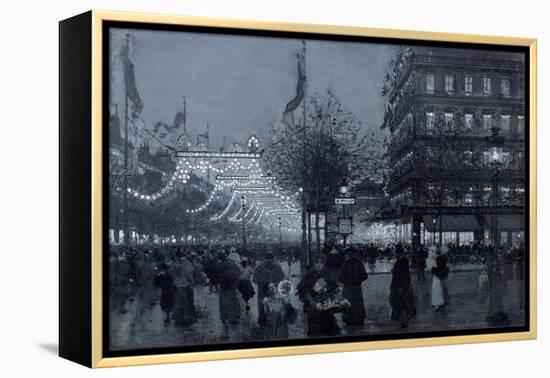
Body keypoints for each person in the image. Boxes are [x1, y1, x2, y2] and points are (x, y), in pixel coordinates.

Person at [297, 253, 341, 337]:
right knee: (315, 331)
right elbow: (303, 290)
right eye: (317, 262)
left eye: (321, 263)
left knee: (328, 329)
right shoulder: (309, 274)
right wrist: (312, 303)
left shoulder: (327, 273)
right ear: (314, 263)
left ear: (324, 263)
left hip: (326, 306)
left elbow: (334, 287)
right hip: (313, 307)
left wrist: (329, 292)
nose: (319, 265)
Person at [253, 250, 285, 323]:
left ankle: (264, 324)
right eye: (268, 258)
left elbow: (255, 280)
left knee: (264, 310)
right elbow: (282, 279)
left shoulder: (260, 267)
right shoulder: (277, 266)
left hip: (264, 294)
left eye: (270, 258)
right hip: (270, 294)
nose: (269, 260)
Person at [169, 251, 200, 327]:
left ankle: (179, 319)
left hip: (178, 286)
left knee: (178, 303)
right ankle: (185, 319)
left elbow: (171, 273)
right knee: (186, 303)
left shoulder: (174, 264)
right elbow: (190, 274)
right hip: (185, 286)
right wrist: (192, 282)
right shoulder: (186, 264)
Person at [339, 248, 369, 326]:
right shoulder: (359, 263)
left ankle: (349, 319)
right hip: (357, 288)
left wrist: (346, 281)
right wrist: (358, 281)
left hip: (348, 288)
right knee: (358, 303)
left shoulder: (346, 263)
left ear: (348, 255)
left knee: (348, 303)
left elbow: (341, 277)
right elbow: (365, 276)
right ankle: (359, 319)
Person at [389, 244, 416, 328]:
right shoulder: (403, 261)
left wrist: (400, 287)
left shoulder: (402, 262)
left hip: (400, 286)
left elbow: (403, 275)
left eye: (396, 253)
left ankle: (404, 321)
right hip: (402, 286)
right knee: (403, 303)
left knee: (402, 304)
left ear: (399, 253)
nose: (396, 255)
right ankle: (404, 320)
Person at [218, 251, 243, 325]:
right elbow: (238, 275)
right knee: (233, 302)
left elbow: (217, 277)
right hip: (232, 287)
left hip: (223, 287)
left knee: (223, 303)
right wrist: (235, 284)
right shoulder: (234, 265)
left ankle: (224, 318)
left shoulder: (219, 266)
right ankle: (234, 318)